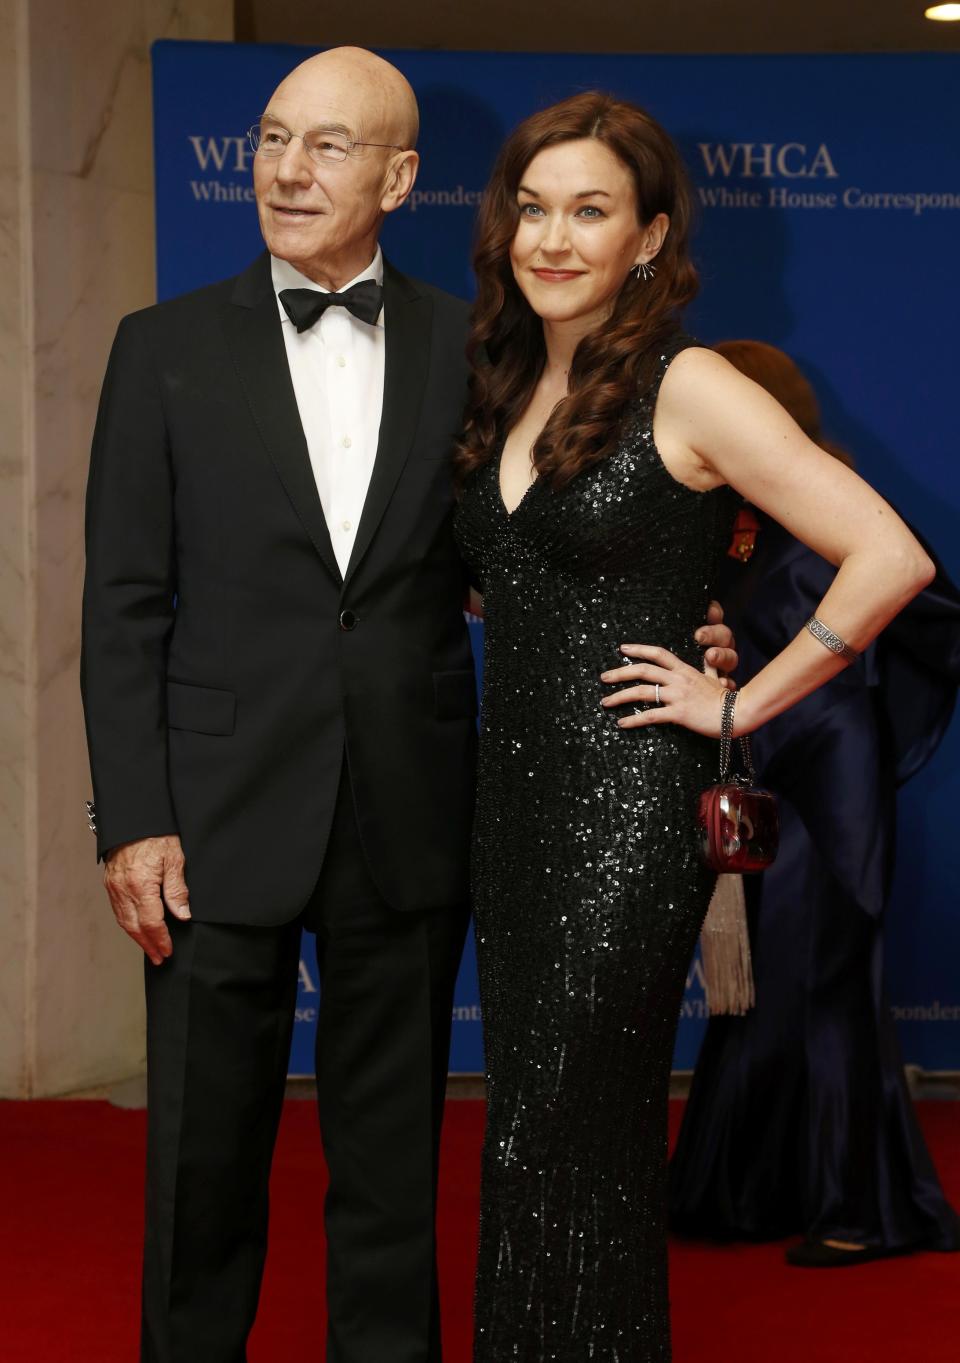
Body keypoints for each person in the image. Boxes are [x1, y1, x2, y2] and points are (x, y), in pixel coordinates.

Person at [80, 49, 738, 1363]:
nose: (285, 168)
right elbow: (121, 605)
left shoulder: (478, 350)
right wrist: (132, 817)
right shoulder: (158, 349)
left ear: (398, 177)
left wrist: (693, 635)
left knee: (389, 1173)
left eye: (328, 146)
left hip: (413, 809)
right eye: (273, 139)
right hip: (211, 822)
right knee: (199, 1171)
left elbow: (531, 552)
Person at [452, 94, 935, 1362]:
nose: (553, 238)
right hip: (511, 810)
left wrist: (739, 696)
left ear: (650, 239)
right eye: (533, 208)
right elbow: (528, 578)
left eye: (591, 212)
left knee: (558, 1125)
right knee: (552, 1136)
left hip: (628, 810)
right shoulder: (502, 382)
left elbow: (887, 555)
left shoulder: (693, 382)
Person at [669, 340, 960, 1267]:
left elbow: (927, 604)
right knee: (759, 982)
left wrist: (866, 708)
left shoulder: (830, 497)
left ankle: (861, 1208)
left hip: (831, 779)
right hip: (761, 776)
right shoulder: (732, 523)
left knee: (833, 978)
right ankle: (748, 1190)